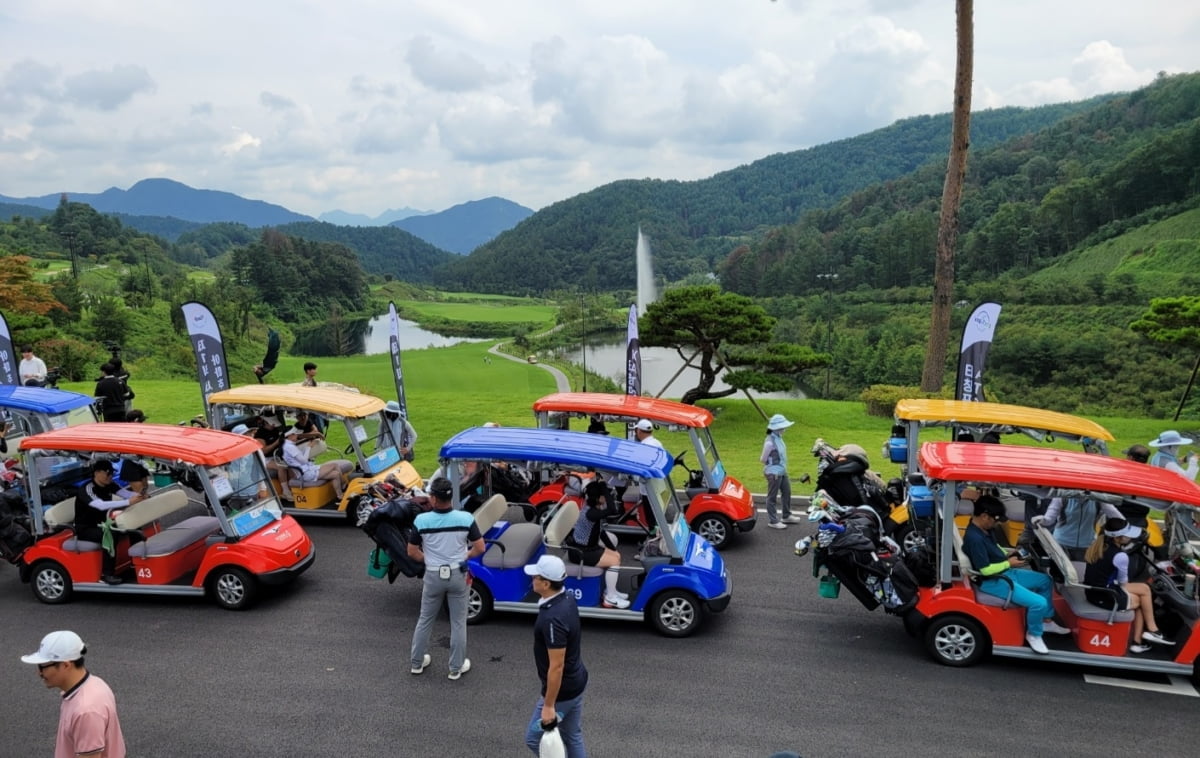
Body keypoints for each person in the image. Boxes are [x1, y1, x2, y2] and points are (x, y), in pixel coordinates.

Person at [960, 495, 1069, 654]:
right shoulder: (974, 538)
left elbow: (995, 547)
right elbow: (985, 570)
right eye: (996, 520)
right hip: (994, 581)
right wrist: (1008, 563)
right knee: (1038, 602)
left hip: (1005, 571)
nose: (997, 523)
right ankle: (1034, 634)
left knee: (1045, 580)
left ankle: (1045, 620)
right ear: (984, 516)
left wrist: (1010, 553)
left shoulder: (985, 529)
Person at [407, 477, 485, 680]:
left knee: (425, 619)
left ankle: (417, 663)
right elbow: (479, 547)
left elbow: (412, 551)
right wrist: (464, 557)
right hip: (458, 573)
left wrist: (428, 560)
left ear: (433, 498)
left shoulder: (422, 521)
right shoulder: (465, 518)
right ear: (451, 497)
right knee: (458, 621)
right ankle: (455, 668)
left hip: (433, 574)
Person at [21, 630, 127, 758]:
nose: (39, 673)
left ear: (66, 665)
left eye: (42, 667)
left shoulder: (85, 710)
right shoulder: (95, 683)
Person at [523, 554, 588, 758]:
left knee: (533, 738)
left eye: (536, 577)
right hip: (577, 681)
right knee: (572, 734)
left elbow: (556, 666)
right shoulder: (566, 597)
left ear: (546, 583)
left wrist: (549, 705)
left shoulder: (552, 619)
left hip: (563, 693)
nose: (532, 579)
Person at [1084, 518, 1174, 653]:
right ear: (1119, 538)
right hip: (1105, 595)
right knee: (1142, 599)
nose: (1130, 537)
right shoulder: (1120, 556)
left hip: (1094, 591)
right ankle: (1149, 633)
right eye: (1128, 535)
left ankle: (1145, 636)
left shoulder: (1097, 545)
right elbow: (1123, 582)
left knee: (1144, 590)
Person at [74, 460, 147, 585]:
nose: (110, 477)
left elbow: (126, 494)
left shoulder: (109, 483)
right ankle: (107, 574)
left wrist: (140, 495)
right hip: (86, 529)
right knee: (110, 534)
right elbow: (100, 505)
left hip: (103, 523)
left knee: (132, 525)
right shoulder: (87, 489)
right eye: (108, 474)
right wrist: (129, 502)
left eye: (112, 474)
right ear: (97, 473)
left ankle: (137, 562)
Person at [566, 480, 629, 608]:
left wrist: (613, 549)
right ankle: (610, 598)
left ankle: (611, 591)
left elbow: (601, 532)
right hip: (580, 553)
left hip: (588, 548)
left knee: (616, 556)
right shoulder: (591, 513)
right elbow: (612, 509)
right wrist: (604, 489)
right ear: (598, 497)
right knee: (614, 562)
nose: (606, 498)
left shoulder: (593, 509)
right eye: (604, 496)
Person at [1037, 495, 1122, 560]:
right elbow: (1049, 519)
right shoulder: (1062, 498)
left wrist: (1126, 528)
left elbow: (1117, 517)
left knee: (1080, 577)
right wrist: (1042, 520)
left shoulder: (1099, 500)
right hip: (1061, 544)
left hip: (1086, 546)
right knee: (1060, 577)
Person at [280, 426, 351, 500]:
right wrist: (309, 447)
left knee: (335, 474)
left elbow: (300, 458)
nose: (297, 435)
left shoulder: (288, 445)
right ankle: (344, 485)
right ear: (289, 435)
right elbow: (304, 460)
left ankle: (340, 496)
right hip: (306, 474)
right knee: (334, 465)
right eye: (295, 434)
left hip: (307, 470)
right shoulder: (289, 447)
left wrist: (309, 446)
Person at [760, 413, 801, 530]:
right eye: (783, 427)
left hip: (782, 471)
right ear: (777, 428)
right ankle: (773, 521)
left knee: (787, 492)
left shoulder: (779, 437)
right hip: (773, 473)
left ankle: (786, 515)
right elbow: (762, 459)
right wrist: (773, 465)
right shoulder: (769, 442)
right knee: (772, 497)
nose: (785, 429)